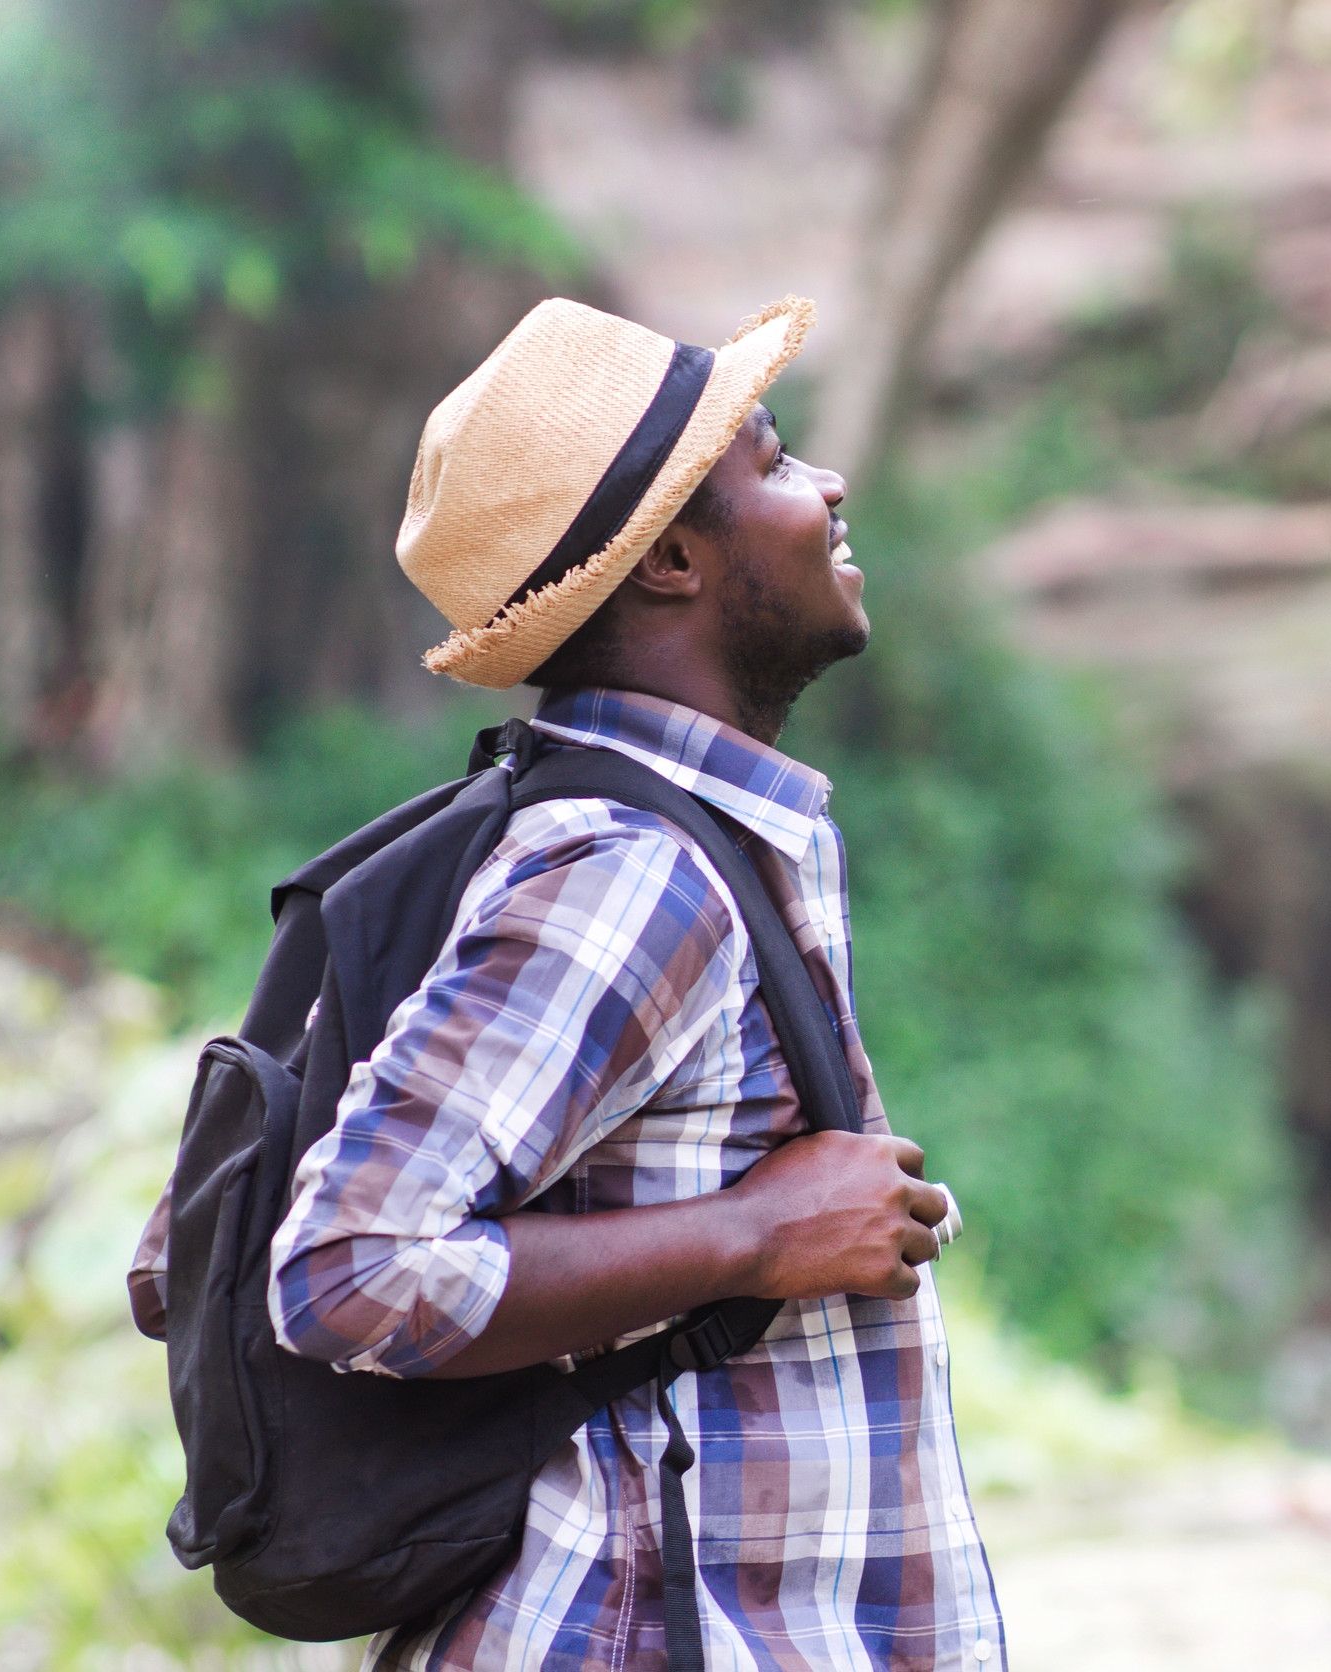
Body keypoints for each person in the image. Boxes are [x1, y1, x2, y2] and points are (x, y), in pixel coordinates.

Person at [129, 296, 1006, 1669]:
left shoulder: (649, 835)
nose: (828, 484)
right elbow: (352, 1268)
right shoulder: (632, 873)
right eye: (773, 466)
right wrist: (757, 1237)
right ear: (666, 562)